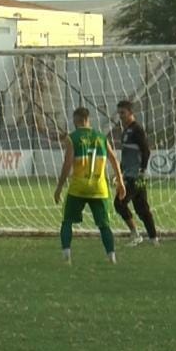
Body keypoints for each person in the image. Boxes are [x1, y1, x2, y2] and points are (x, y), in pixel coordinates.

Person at [54, 107, 126, 264]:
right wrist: (120, 182)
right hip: (99, 188)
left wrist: (59, 187)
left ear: (75, 121)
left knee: (67, 221)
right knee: (104, 225)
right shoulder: (101, 137)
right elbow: (114, 160)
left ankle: (66, 254)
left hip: (78, 188)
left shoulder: (72, 138)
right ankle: (111, 256)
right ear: (88, 120)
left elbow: (67, 164)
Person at [113, 100, 159, 247]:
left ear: (131, 112)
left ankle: (135, 234)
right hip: (130, 175)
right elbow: (126, 155)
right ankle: (153, 239)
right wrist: (120, 173)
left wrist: (142, 170)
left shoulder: (137, 130)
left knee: (119, 203)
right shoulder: (126, 131)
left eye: (123, 113)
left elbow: (146, 151)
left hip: (136, 176)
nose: (120, 116)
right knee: (141, 207)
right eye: (119, 113)